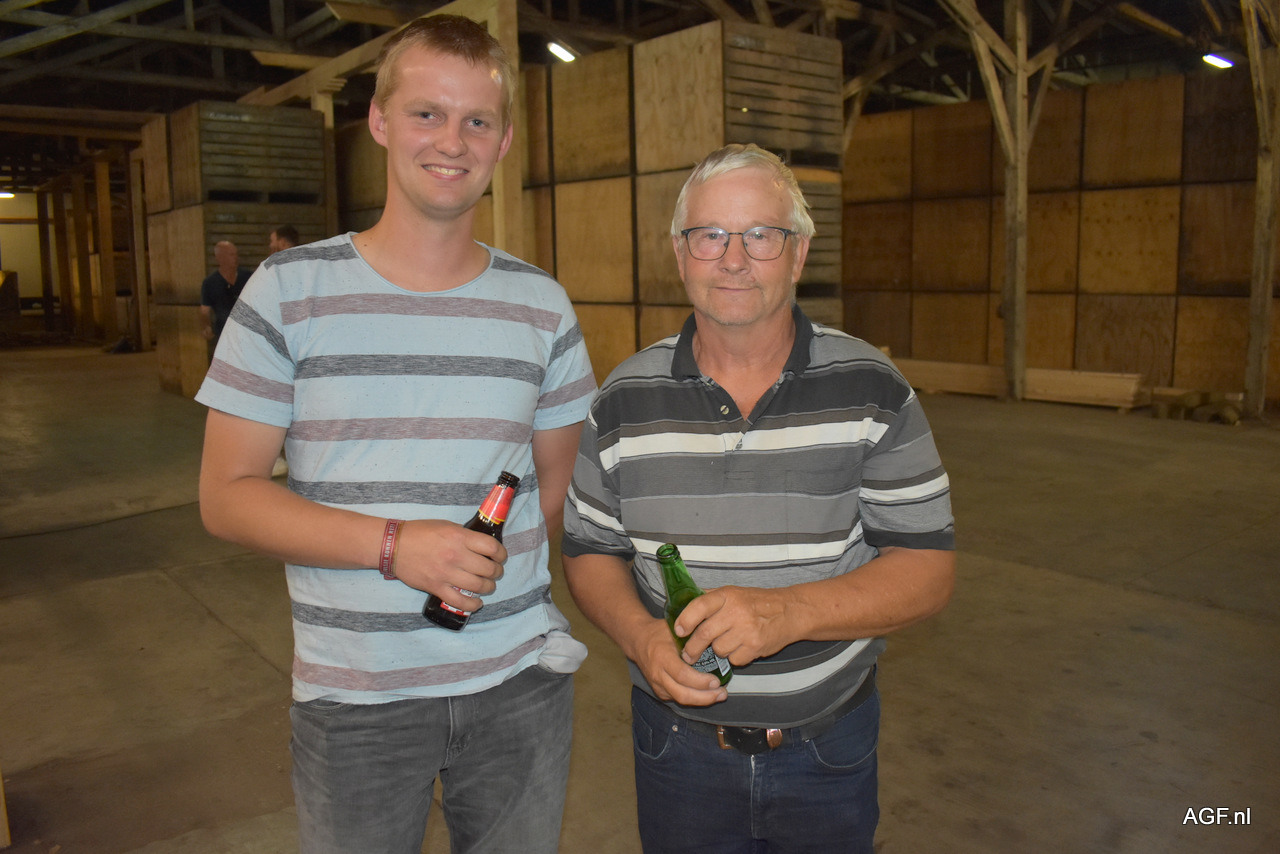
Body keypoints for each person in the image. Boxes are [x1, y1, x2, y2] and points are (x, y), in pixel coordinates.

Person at [195, 14, 595, 854]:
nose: (452, 141)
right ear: (379, 121)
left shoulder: (542, 305)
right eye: (426, 113)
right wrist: (393, 545)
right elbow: (227, 497)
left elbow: (553, 487)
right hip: (357, 700)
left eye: (477, 120)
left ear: (503, 141)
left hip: (518, 685)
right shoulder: (286, 292)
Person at [561, 143, 956, 853]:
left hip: (826, 749)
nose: (734, 259)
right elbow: (591, 551)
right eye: (710, 235)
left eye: (761, 236)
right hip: (675, 751)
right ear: (680, 254)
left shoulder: (873, 388)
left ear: (798, 254)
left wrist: (789, 613)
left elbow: (927, 570)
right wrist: (639, 636)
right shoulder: (622, 399)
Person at [199, 240, 250, 358]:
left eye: (236, 254)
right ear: (220, 258)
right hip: (223, 335)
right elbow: (204, 310)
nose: (236, 258)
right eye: (231, 255)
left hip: (247, 334)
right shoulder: (210, 283)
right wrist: (206, 327)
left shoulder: (248, 277)